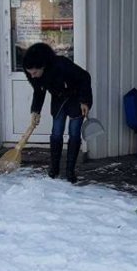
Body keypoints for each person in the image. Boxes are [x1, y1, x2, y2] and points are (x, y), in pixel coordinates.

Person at [23, 42, 93, 184]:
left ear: (43, 65)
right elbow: (39, 91)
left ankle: (70, 171)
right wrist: (36, 111)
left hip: (76, 98)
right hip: (58, 100)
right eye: (30, 73)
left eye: (35, 72)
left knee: (74, 133)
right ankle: (54, 168)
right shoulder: (33, 74)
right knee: (56, 132)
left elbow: (85, 77)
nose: (33, 76)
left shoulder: (61, 64)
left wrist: (85, 101)